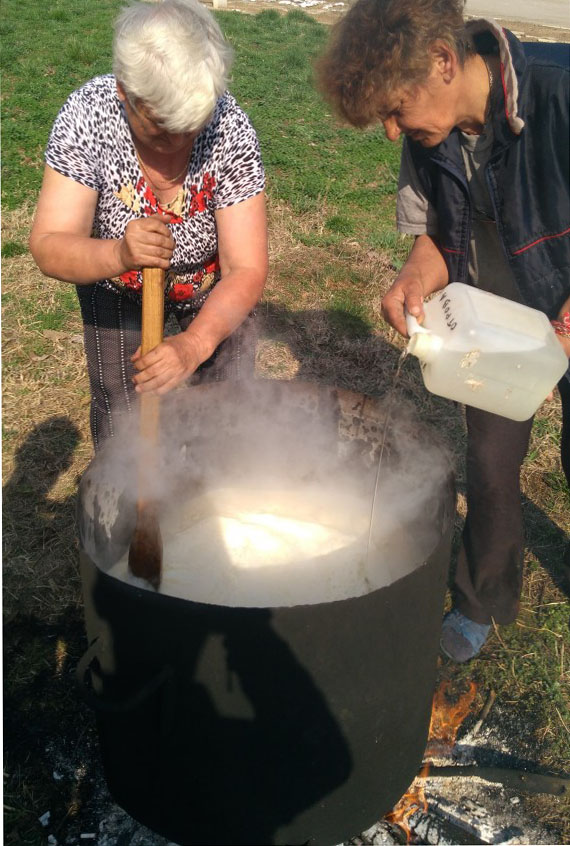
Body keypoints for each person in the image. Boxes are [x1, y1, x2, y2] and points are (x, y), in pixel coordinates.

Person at [317, 0, 570, 661]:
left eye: (395, 110)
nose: (392, 130)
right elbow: (437, 237)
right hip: (496, 325)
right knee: (488, 465)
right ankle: (481, 600)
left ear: (443, 61)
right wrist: (413, 278)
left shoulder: (560, 90)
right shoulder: (430, 138)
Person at [30, 0, 268, 450]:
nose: (177, 146)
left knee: (227, 408)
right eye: (160, 129)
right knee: (122, 417)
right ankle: (128, 515)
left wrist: (194, 345)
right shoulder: (87, 117)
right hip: (113, 282)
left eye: (192, 129)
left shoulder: (230, 127)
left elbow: (246, 268)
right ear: (125, 92)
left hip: (208, 284)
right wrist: (118, 254)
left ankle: (216, 499)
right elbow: (48, 244)